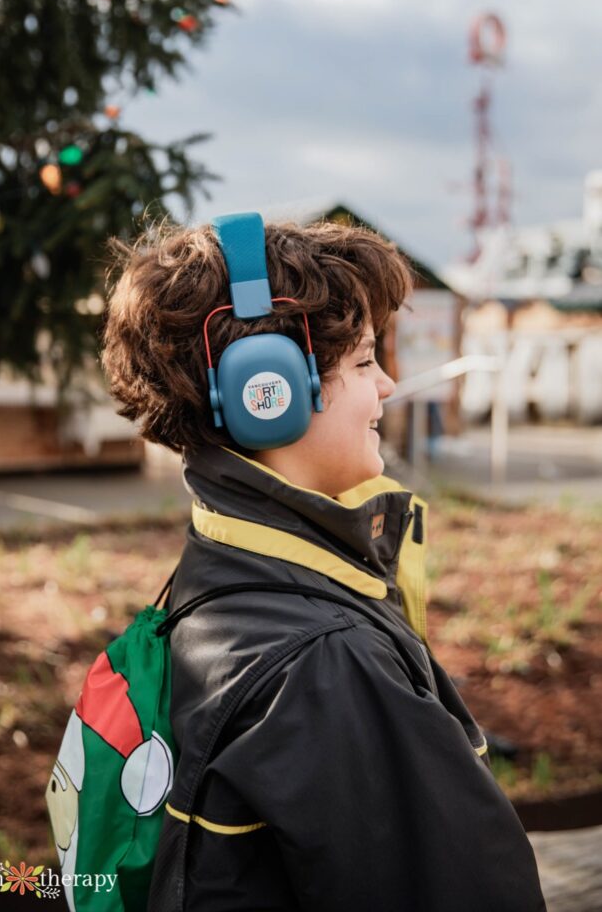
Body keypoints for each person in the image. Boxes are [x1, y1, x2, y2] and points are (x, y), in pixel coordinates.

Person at [100, 217, 545, 912]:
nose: (389, 386)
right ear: (263, 392)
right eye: (366, 362)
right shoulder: (324, 665)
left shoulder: (223, 565)